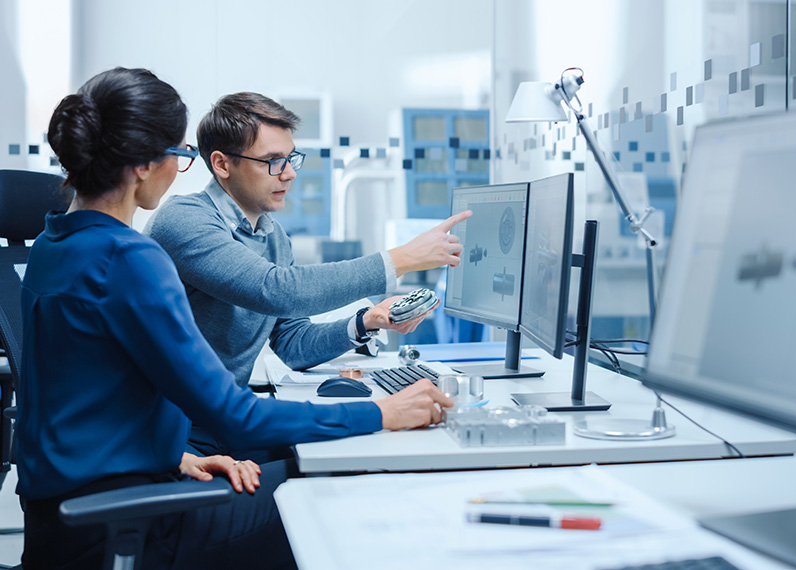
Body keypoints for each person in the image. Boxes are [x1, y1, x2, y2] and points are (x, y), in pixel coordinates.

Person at [16, 67, 452, 570]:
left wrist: (173, 455)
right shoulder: (130, 256)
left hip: (70, 516)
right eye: (179, 156)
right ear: (142, 166)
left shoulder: (54, 243)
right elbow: (237, 411)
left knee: (314, 464)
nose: (181, 167)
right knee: (348, 484)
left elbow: (74, 396)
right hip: (120, 522)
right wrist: (383, 413)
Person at [145, 92, 470, 462]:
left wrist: (365, 322)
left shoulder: (273, 237)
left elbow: (293, 344)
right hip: (179, 434)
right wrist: (400, 259)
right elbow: (277, 291)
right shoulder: (186, 219)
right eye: (272, 161)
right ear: (221, 164)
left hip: (223, 424)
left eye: (290, 158)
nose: (290, 173)